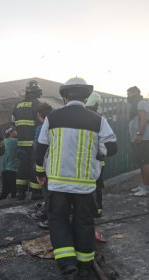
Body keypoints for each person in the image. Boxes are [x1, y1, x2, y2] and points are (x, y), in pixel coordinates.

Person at [35, 77, 117, 279]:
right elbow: (113, 147)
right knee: (84, 222)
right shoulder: (98, 120)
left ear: (64, 98)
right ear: (86, 97)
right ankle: (85, 263)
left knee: (58, 220)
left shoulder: (52, 118)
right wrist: (98, 153)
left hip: (58, 183)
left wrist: (39, 172)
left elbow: (41, 148)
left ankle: (67, 264)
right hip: (85, 185)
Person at [12, 80, 42, 200]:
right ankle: (35, 192)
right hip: (34, 143)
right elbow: (41, 124)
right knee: (34, 167)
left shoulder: (17, 106)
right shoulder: (38, 105)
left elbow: (13, 123)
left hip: (21, 143)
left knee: (22, 167)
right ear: (37, 92)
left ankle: (20, 192)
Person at [33, 102, 53, 229]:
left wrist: (39, 170)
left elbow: (38, 149)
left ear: (40, 115)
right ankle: (47, 211)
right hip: (57, 165)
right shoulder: (57, 125)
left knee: (47, 191)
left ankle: (48, 215)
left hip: (46, 165)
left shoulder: (41, 128)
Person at [85, 91, 105, 216]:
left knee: (87, 183)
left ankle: (88, 209)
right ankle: (98, 209)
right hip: (99, 158)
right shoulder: (101, 118)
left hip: (87, 158)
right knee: (98, 184)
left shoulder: (83, 116)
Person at [127, 86, 149, 196]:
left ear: (135, 93)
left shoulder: (141, 103)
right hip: (138, 139)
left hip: (144, 138)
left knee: (145, 163)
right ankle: (143, 185)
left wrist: (139, 134)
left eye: (129, 94)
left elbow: (144, 119)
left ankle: (146, 187)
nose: (128, 96)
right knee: (141, 162)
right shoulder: (136, 105)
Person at [0, 126, 19, 200]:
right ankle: (13, 203)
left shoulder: (3, 141)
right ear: (11, 133)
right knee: (14, 188)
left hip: (4, 169)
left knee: (5, 188)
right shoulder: (16, 141)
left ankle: (1, 199)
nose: (16, 132)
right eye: (15, 131)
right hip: (13, 168)